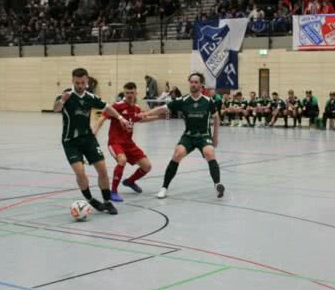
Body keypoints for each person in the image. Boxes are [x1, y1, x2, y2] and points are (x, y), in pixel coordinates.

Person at [53, 68, 131, 215]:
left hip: (88, 139)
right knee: (80, 172)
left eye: (83, 82)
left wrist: (121, 118)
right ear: (73, 81)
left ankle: (107, 202)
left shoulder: (90, 97)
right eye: (77, 82)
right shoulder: (66, 95)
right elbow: (56, 109)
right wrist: (62, 100)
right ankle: (90, 200)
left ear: (87, 81)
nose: (80, 85)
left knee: (102, 169)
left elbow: (108, 108)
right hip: (70, 141)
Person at [141, 72, 223, 199]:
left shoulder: (208, 101)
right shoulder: (183, 100)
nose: (193, 84)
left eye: (196, 82)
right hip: (188, 136)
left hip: (204, 136)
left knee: (209, 153)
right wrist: (147, 113)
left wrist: (215, 137)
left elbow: (216, 117)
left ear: (201, 85)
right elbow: (163, 108)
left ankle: (217, 185)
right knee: (177, 154)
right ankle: (164, 187)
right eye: (191, 82)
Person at [93, 82, 158, 202]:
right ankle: (113, 192)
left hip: (129, 143)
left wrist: (159, 117)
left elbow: (141, 119)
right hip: (115, 142)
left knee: (147, 166)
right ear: (124, 92)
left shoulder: (136, 108)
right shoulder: (117, 106)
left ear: (136, 93)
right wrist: (95, 130)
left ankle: (130, 181)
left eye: (131, 92)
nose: (129, 95)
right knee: (122, 160)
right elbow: (102, 117)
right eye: (127, 92)